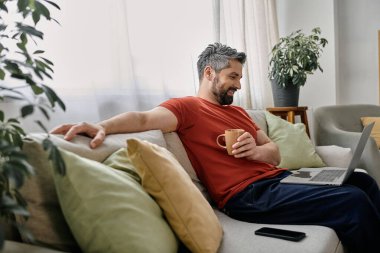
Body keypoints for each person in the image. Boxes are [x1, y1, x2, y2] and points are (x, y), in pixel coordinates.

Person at [51, 43, 380, 253]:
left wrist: (257, 150)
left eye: (240, 77)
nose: (239, 84)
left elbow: (274, 153)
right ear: (209, 73)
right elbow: (142, 117)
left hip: (279, 180)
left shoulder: (238, 112)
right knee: (352, 201)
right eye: (232, 76)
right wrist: (103, 126)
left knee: (363, 181)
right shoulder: (186, 108)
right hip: (247, 196)